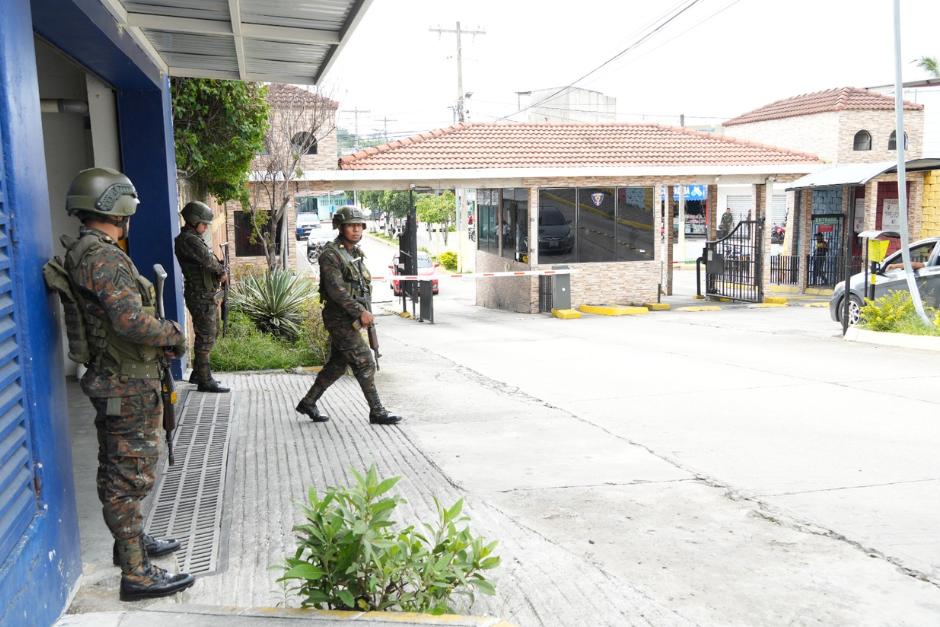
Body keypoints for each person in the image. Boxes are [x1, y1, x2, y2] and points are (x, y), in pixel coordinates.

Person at [58, 167, 194, 601]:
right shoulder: (104, 257)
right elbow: (131, 321)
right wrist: (173, 333)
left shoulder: (85, 250)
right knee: (129, 476)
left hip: (117, 376)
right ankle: (136, 574)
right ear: (116, 206)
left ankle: (130, 545)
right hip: (126, 382)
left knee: (120, 470)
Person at [295, 206, 402, 425]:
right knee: (365, 362)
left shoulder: (354, 252)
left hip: (351, 317)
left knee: (337, 365)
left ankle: (308, 403)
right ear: (340, 227)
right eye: (351, 226)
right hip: (339, 318)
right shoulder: (331, 254)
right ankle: (377, 412)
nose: (356, 230)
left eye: (359, 226)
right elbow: (337, 290)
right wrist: (360, 311)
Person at [174, 201, 229, 393]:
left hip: (203, 294)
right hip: (200, 295)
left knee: (207, 335)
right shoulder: (189, 240)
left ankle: (198, 374)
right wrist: (221, 271)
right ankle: (205, 380)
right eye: (204, 224)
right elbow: (208, 261)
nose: (206, 227)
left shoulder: (193, 238)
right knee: (206, 337)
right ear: (194, 220)